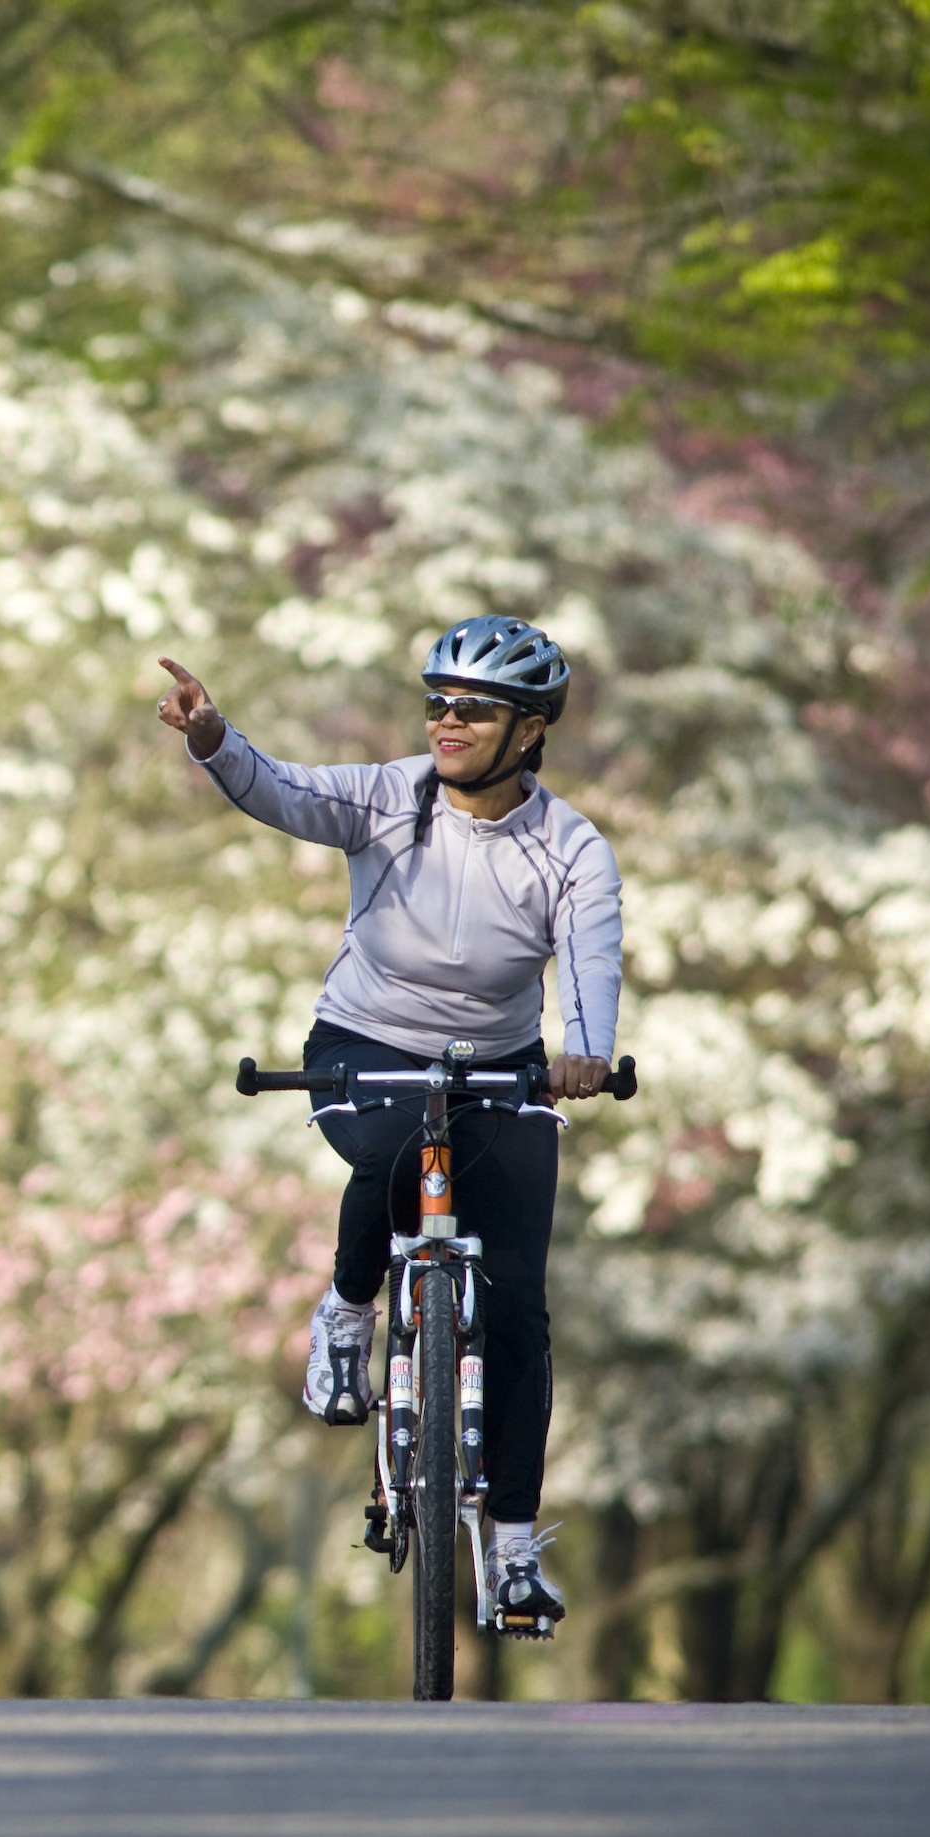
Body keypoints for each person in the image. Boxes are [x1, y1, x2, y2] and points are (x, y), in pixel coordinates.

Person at [154, 617, 621, 1627]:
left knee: (521, 1312)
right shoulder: (386, 797)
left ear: (531, 731)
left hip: (506, 1067)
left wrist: (583, 1050)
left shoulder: (571, 849)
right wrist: (212, 740)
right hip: (362, 1042)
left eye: (475, 709)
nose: (447, 723)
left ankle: (508, 1552)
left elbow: (590, 963)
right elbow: (283, 790)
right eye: (437, 703)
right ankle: (348, 1312)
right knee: (402, 1143)